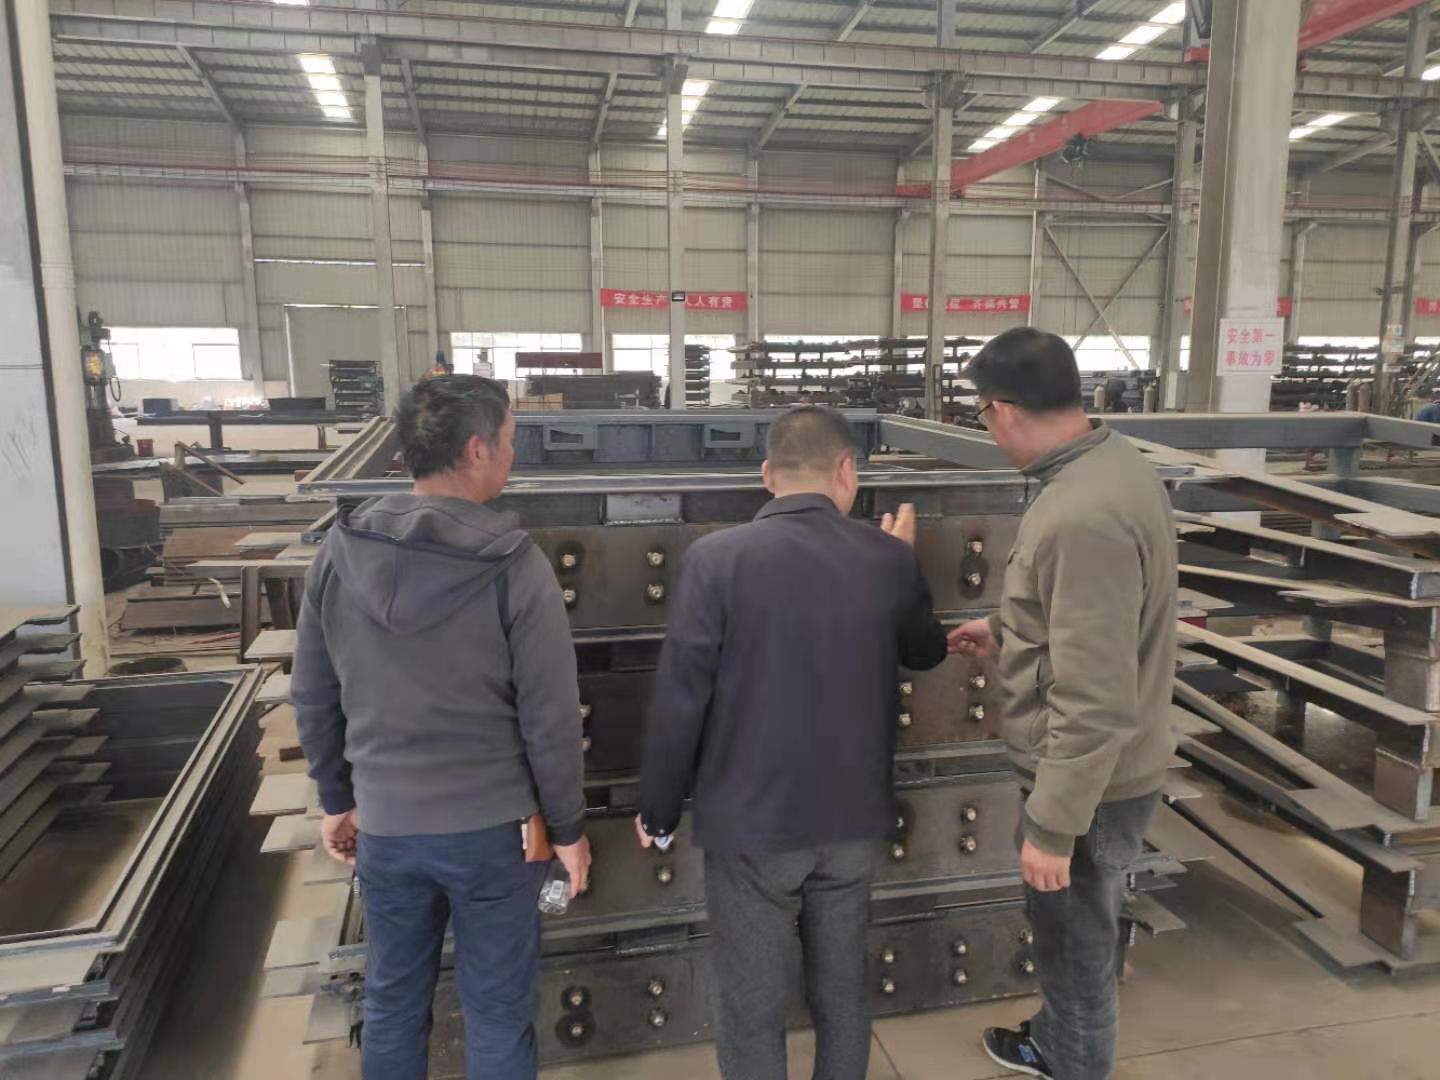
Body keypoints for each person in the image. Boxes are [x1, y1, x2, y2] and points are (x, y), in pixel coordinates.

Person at [635, 405, 949, 1080]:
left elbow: (681, 697)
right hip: (853, 820)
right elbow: (926, 651)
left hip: (754, 825)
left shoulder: (715, 559)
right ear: (847, 471)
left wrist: (657, 810)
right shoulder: (885, 559)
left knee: (751, 1004)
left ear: (766, 475)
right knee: (843, 991)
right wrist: (905, 562)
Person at [291, 374, 590, 1080]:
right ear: (477, 449)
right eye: (510, 441)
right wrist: (569, 830)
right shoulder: (515, 565)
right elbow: (550, 717)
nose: (512, 456)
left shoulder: (339, 553)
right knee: (496, 1014)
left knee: (393, 1005)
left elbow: (314, 692)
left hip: (387, 828)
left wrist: (337, 798)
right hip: (494, 837)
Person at [948, 328, 1177, 1080]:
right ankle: (1057, 1039)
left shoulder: (1082, 515)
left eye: (982, 414)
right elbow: (1092, 616)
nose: (988, 428)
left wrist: (1051, 827)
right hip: (1100, 775)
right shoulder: (1110, 466)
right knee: (1071, 936)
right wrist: (1008, 628)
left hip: (1088, 789)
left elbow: (1095, 696)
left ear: (1005, 410)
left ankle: (1073, 1062)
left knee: (1074, 948)